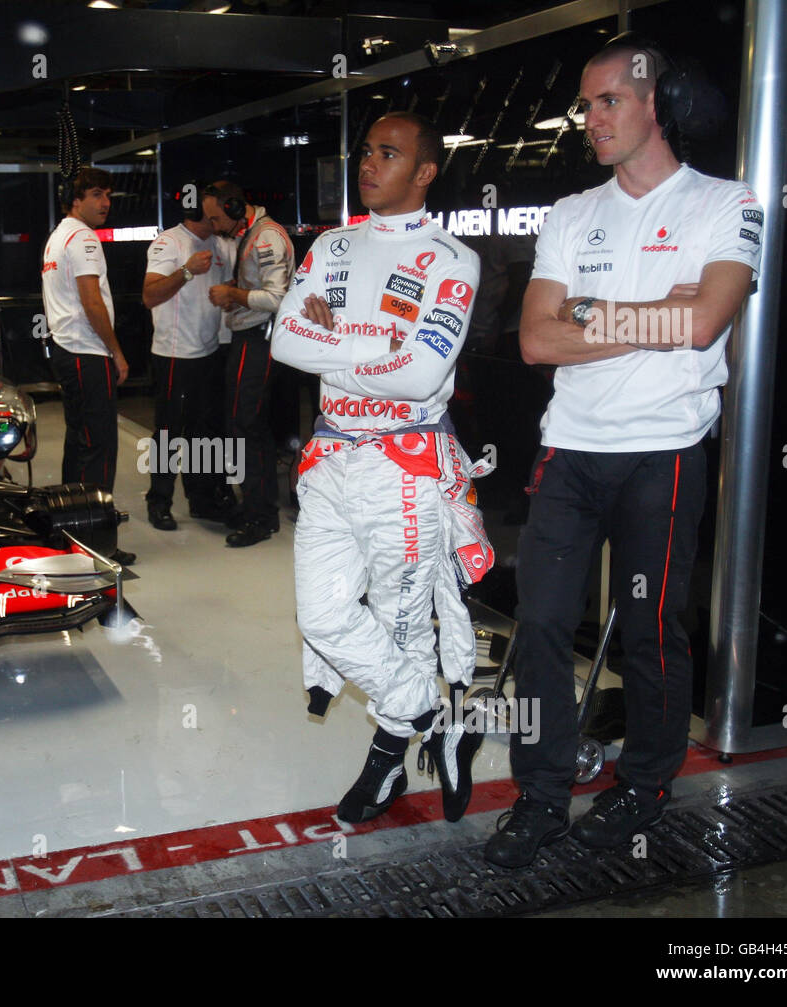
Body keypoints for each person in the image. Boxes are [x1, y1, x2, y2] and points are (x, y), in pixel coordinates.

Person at [483, 35, 764, 868]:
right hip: (570, 451)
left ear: (654, 102)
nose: (591, 118)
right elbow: (535, 340)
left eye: (608, 100)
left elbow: (705, 321)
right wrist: (655, 313)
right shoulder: (573, 213)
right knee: (538, 626)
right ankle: (539, 797)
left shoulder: (725, 202)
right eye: (587, 104)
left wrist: (595, 315)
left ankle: (644, 785)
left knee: (650, 629)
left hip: (664, 454)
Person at [272, 111, 492, 824]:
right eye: (367, 151)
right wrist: (381, 359)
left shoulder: (453, 259)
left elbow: (423, 370)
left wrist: (338, 348)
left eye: (388, 154)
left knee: (403, 632)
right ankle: (438, 714)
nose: (369, 163)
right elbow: (284, 339)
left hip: (404, 467)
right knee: (325, 618)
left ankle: (384, 767)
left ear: (425, 172)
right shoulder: (331, 244)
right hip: (331, 456)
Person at [42, 166, 135, 565]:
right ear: (74, 200)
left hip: (69, 350)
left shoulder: (58, 236)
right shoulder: (83, 238)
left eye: (108, 195)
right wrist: (116, 351)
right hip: (87, 350)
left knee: (78, 443)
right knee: (99, 449)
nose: (105, 203)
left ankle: (69, 532)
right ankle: (96, 543)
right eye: (96, 194)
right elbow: (92, 302)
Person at [203, 180, 295, 547]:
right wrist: (237, 293)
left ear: (234, 206)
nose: (212, 226)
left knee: (247, 425)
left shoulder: (268, 236)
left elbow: (279, 298)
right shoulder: (252, 232)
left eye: (214, 218)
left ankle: (262, 515)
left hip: (260, 341)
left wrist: (233, 294)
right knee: (242, 424)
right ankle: (255, 504)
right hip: (250, 338)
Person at [140, 184, 236, 529]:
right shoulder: (169, 243)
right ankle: (159, 501)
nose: (219, 217)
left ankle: (202, 499)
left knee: (204, 432)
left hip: (210, 350)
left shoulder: (222, 245)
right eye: (212, 211)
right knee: (169, 431)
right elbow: (149, 296)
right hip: (174, 353)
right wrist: (186, 271)